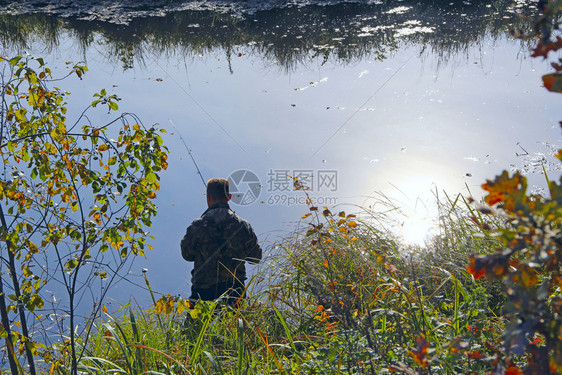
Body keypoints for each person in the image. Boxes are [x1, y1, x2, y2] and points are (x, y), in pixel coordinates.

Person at [180, 178, 262, 305]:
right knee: (234, 325)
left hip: (203, 294)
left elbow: (187, 255)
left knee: (198, 325)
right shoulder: (243, 226)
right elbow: (255, 258)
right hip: (235, 294)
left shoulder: (197, 226)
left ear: (208, 197)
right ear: (229, 197)